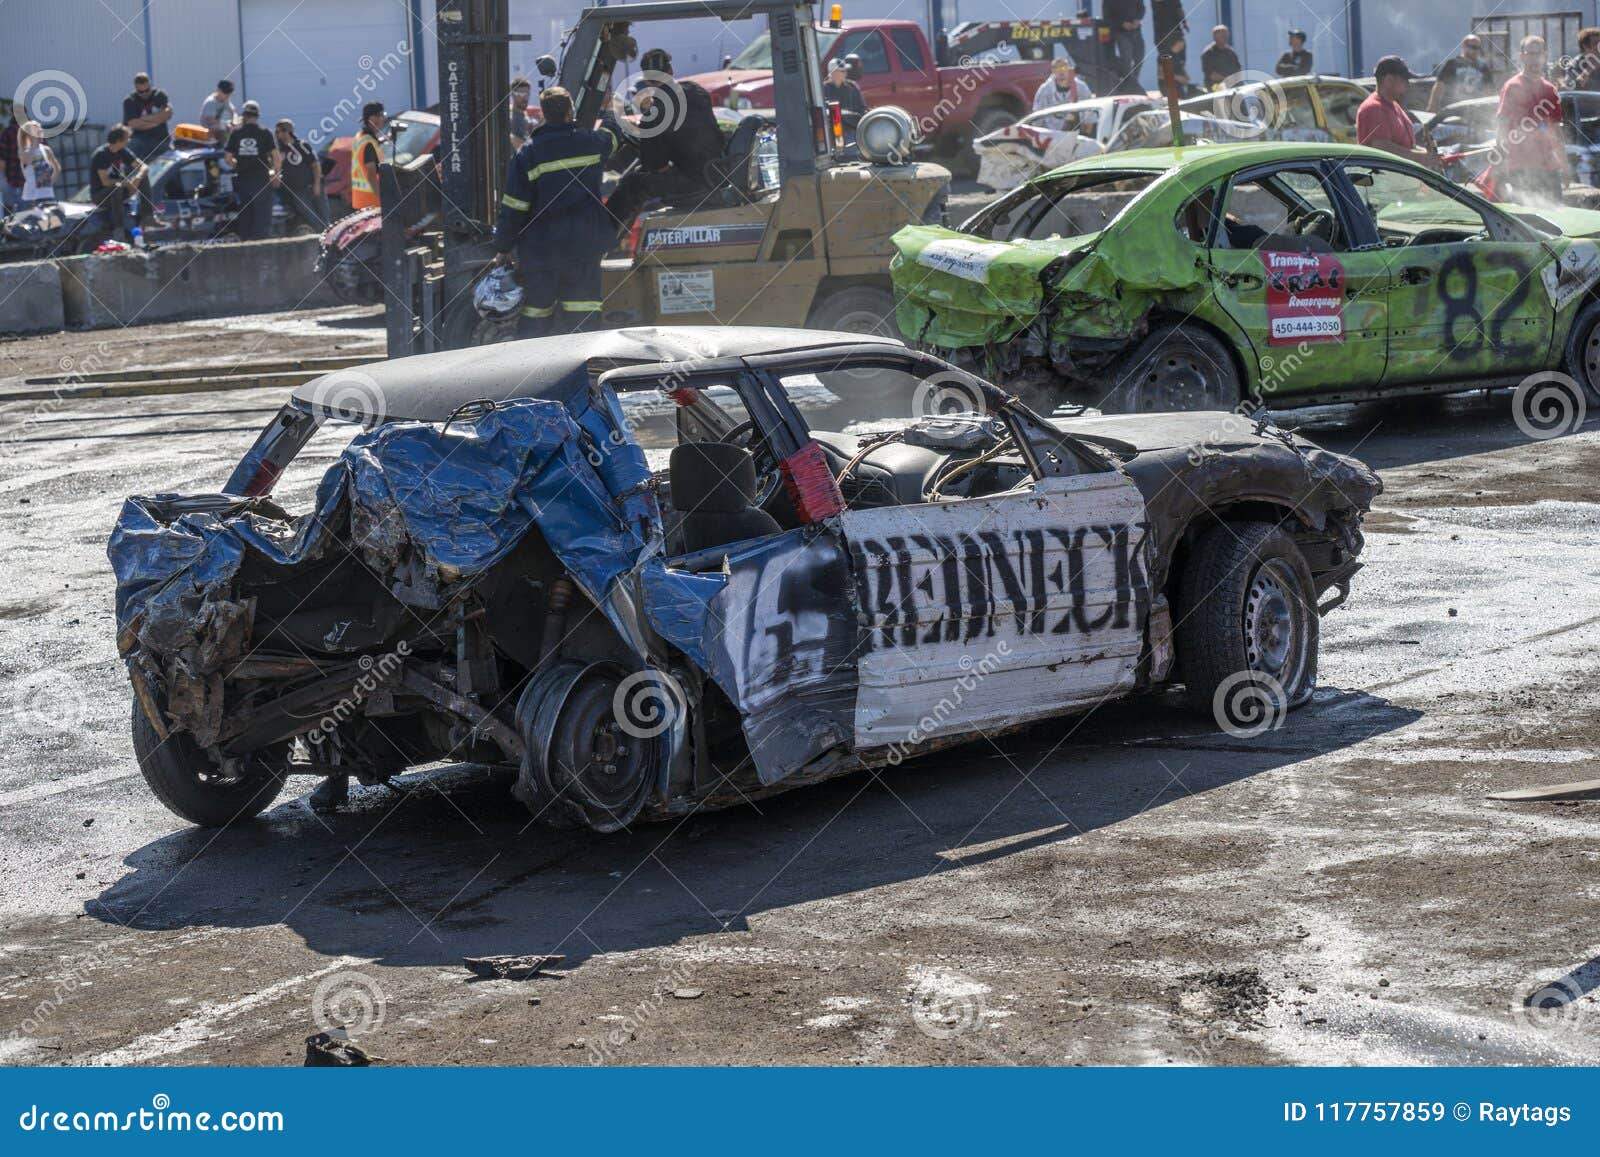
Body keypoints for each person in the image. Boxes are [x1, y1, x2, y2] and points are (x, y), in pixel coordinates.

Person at [492, 85, 617, 336]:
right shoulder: (590, 143)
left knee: (536, 316)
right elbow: (612, 137)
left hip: (542, 252)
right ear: (570, 112)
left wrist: (503, 247)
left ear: (544, 116)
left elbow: (514, 207)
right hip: (583, 246)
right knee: (583, 315)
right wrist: (610, 109)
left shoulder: (528, 154)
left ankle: (531, 371)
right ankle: (584, 369)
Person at [605, 48, 724, 233]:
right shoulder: (696, 91)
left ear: (645, 79)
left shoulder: (654, 116)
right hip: (716, 171)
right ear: (671, 71)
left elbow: (656, 167)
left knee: (632, 182)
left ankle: (601, 235)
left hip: (693, 182)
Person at [1497, 36, 1565, 205]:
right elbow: (1502, 126)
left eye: (1538, 54)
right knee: (1526, 222)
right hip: (1521, 167)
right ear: (1522, 56)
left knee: (1556, 218)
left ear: (1545, 56)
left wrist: (1564, 164)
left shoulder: (1550, 90)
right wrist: (1500, 162)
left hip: (1549, 167)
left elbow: (1556, 131)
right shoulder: (1512, 87)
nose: (1534, 58)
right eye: (1530, 53)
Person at [1357, 56, 1438, 167]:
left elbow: (1407, 146)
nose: (1407, 86)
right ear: (1388, 80)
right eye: (1404, 81)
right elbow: (1382, 148)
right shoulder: (1373, 108)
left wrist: (1428, 155)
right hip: (1382, 180)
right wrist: (1421, 157)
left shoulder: (1393, 105)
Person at [224, 100, 281, 240]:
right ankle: (261, 248)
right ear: (257, 116)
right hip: (261, 180)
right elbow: (277, 158)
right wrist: (275, 174)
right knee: (262, 217)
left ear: (244, 115)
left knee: (246, 216)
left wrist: (237, 166)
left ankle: (246, 248)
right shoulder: (265, 133)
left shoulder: (236, 133)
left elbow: (227, 157)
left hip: (243, 181)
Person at [123, 72, 172, 224]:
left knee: (170, 167)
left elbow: (167, 115)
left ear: (150, 86)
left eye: (147, 91)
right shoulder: (130, 101)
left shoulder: (160, 95)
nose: (144, 94)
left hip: (160, 140)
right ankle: (129, 199)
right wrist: (156, 120)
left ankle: (173, 196)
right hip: (140, 140)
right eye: (140, 92)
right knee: (132, 166)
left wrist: (144, 119)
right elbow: (132, 124)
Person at [89, 125, 146, 242]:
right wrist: (127, 183)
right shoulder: (101, 155)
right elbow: (105, 182)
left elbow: (143, 167)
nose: (129, 141)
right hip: (101, 195)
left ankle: (148, 215)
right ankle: (118, 232)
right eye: (127, 138)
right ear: (119, 140)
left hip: (121, 189)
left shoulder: (123, 151)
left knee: (143, 177)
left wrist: (138, 177)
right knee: (116, 188)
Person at [275, 118, 328, 232]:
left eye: (281, 131)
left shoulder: (302, 145)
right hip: (297, 191)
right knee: (311, 217)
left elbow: (315, 165)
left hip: (312, 185)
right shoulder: (279, 151)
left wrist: (317, 184)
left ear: (288, 131)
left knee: (324, 215)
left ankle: (331, 237)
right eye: (277, 132)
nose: (279, 135)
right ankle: (322, 236)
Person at [1429, 35, 1494, 111]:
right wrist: (1432, 108)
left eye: (1478, 48)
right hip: (1453, 110)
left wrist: (1489, 111)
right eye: (1473, 47)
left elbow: (1489, 92)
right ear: (1464, 47)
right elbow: (1439, 87)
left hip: (1474, 112)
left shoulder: (1483, 68)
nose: (1476, 51)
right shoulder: (1452, 64)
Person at [1103, 0, 1147, 94]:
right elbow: (1106, 18)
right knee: (1126, 61)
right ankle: (1132, 88)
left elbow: (1141, 8)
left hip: (1136, 31)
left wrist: (1137, 19)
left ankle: (1132, 84)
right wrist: (1121, 23)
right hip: (1120, 32)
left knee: (1140, 57)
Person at [349, 101, 386, 211]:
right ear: (373, 119)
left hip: (361, 201)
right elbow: (371, 175)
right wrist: (383, 199)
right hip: (372, 202)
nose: (384, 118)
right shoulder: (369, 143)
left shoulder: (360, 136)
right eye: (381, 115)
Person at [18, 121, 60, 204]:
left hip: (48, 195)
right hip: (31, 198)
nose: (41, 134)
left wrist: (49, 183)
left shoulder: (46, 150)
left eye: (41, 131)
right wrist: (33, 142)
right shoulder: (24, 151)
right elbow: (27, 161)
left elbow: (57, 168)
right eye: (38, 132)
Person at [824, 59, 867, 125]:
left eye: (845, 70)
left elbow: (862, 109)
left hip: (852, 127)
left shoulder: (852, 87)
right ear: (833, 73)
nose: (845, 73)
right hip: (832, 129)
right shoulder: (823, 89)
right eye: (842, 71)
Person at [1200, 24, 1242, 89]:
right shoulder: (1208, 53)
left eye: (1226, 36)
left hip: (1233, 88)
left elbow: (1238, 70)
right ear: (1214, 37)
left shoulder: (1231, 52)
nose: (1225, 38)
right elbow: (1212, 75)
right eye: (1222, 36)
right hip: (1215, 89)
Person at [200, 79, 237, 145]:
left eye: (228, 94)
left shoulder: (225, 99)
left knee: (239, 125)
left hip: (218, 126)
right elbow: (211, 120)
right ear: (218, 90)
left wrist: (234, 122)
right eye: (225, 93)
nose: (227, 96)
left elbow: (233, 112)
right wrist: (227, 125)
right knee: (221, 128)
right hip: (208, 129)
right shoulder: (211, 102)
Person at [0, 108, 23, 214]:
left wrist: (3, 177)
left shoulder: (7, 133)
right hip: (35, 179)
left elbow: (2, 159)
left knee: (15, 209)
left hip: (13, 177)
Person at [510, 77, 533, 150]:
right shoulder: (511, 119)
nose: (525, 98)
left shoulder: (524, 115)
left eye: (527, 94)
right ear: (513, 95)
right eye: (521, 94)